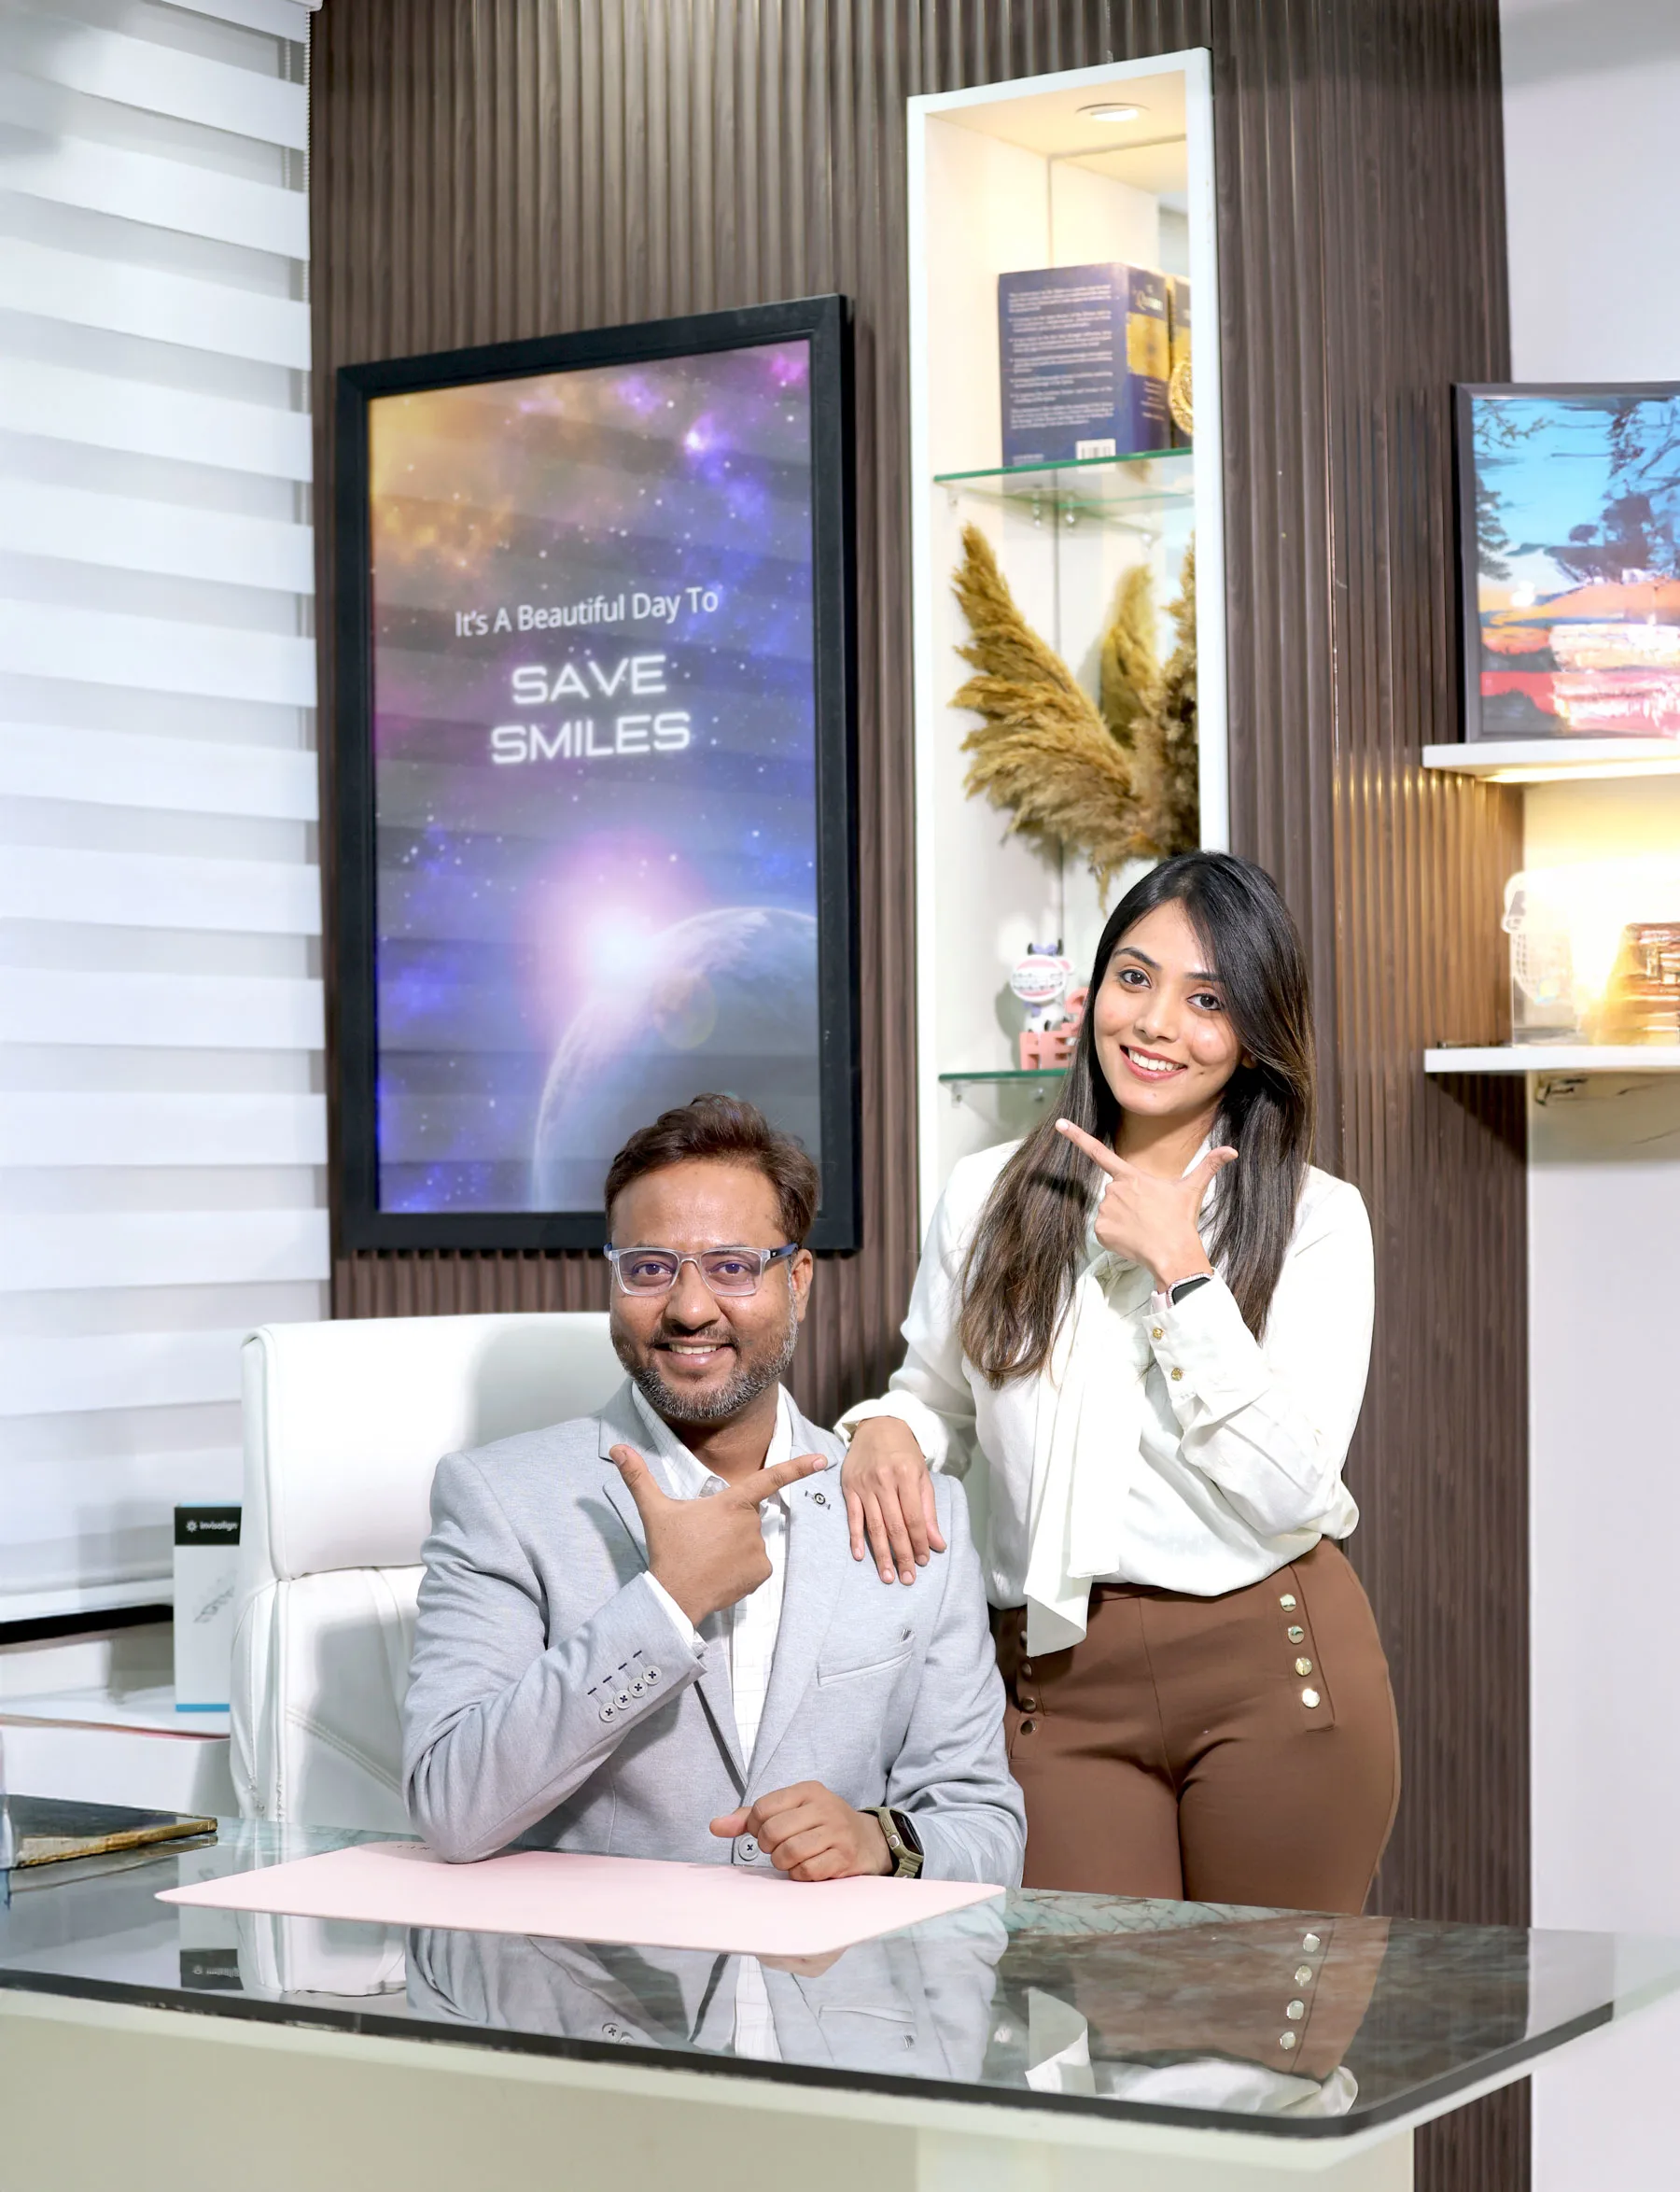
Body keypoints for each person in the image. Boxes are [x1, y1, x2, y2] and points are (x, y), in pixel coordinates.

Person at [838, 851, 1399, 1912]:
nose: (1156, 1023)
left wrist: (1182, 1275)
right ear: (1093, 988)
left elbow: (1295, 1490)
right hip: (1058, 1673)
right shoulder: (988, 1195)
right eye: (1134, 979)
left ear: (1254, 1035)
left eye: (1207, 1000)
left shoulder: (1319, 1218)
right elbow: (936, 1391)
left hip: (1270, 1667)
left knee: (1260, 2062)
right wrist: (886, 1426)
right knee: (1090, 2044)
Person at [402, 1092, 1025, 1898]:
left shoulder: (917, 1511)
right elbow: (450, 1807)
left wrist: (882, 1840)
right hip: (596, 1996)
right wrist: (665, 1605)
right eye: (650, 1269)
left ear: (798, 1280)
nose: (691, 1308)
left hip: (831, 2001)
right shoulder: (499, 1500)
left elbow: (987, 1829)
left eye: (733, 1267)